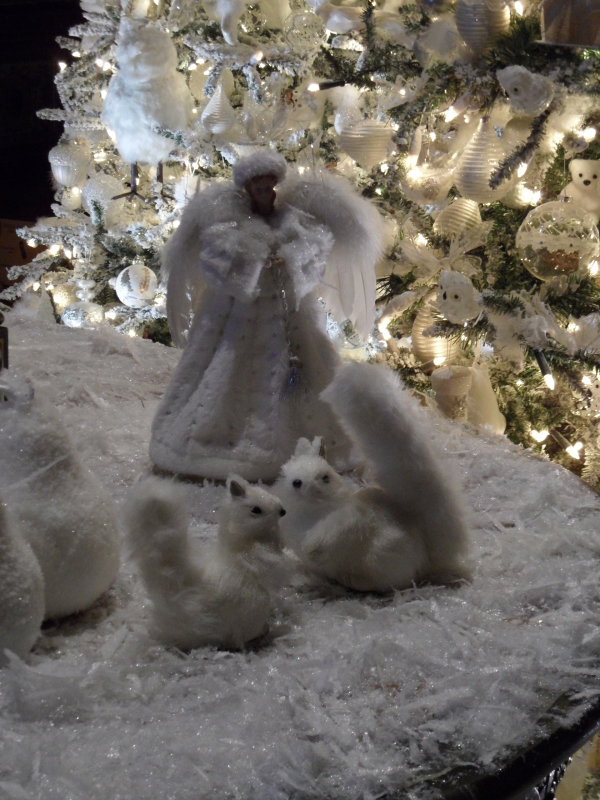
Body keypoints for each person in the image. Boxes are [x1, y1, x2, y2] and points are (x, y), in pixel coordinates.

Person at [150, 151, 382, 482]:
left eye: (269, 186)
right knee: (229, 373)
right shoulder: (227, 225)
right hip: (237, 320)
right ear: (247, 189)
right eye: (257, 188)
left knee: (305, 373)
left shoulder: (296, 221)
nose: (264, 193)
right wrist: (254, 261)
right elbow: (218, 267)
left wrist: (289, 259)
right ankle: (227, 442)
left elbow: (314, 258)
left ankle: (311, 437)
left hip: (290, 316)